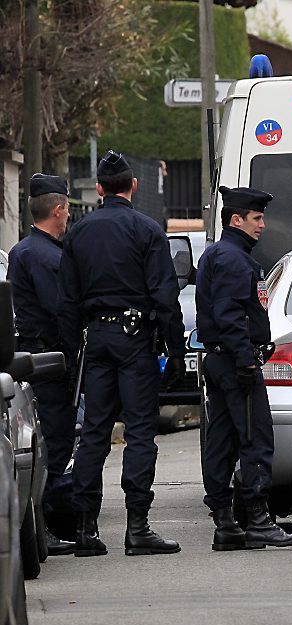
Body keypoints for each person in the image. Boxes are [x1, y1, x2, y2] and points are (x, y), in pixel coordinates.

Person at [58, 150, 186, 557]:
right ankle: (138, 526)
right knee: (140, 432)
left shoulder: (78, 232)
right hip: (135, 339)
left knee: (94, 432)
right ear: (134, 186)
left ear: (98, 188)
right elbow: (166, 297)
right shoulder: (147, 230)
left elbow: (67, 302)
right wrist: (176, 349)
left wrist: (69, 353)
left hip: (95, 338)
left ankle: (85, 529)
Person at [196, 186, 292, 551]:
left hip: (223, 358)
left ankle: (225, 523)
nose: (263, 225)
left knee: (223, 440)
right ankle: (258, 520)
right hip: (234, 360)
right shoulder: (232, 259)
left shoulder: (223, 254)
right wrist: (245, 359)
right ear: (236, 219)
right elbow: (230, 316)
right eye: (257, 218)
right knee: (255, 438)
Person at [7, 173, 76, 555]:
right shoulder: (46, 256)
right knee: (54, 443)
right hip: (49, 359)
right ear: (58, 209)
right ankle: (47, 524)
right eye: (66, 211)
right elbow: (60, 311)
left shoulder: (23, 250)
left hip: (34, 355)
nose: (68, 219)